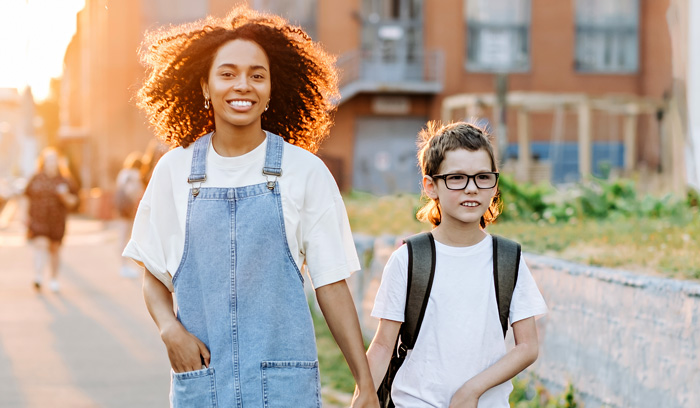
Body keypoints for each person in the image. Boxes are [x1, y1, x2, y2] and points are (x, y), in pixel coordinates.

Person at [123, 6, 379, 407]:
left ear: (272, 88)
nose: (242, 85)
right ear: (205, 87)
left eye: (257, 75)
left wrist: (364, 382)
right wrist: (170, 331)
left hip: (283, 389)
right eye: (227, 74)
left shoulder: (304, 171)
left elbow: (331, 283)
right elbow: (153, 274)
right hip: (202, 383)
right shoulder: (174, 170)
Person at [366, 122, 548, 407]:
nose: (472, 189)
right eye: (457, 178)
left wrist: (472, 390)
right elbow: (381, 346)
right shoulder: (409, 259)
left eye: (482, 177)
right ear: (431, 186)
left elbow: (527, 347)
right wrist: (360, 398)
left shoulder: (507, 259)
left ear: (495, 184)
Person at [24, 147, 79, 292]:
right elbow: (26, 196)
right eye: (49, 160)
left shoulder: (65, 180)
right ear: (43, 162)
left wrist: (65, 196)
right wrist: (24, 217)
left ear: (58, 162)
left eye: (54, 160)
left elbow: (74, 202)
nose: (51, 163)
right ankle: (38, 277)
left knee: (54, 249)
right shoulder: (35, 178)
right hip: (38, 219)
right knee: (40, 245)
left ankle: (54, 279)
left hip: (56, 221)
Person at [114, 151, 145, 278]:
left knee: (123, 237)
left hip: (121, 208)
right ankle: (131, 266)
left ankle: (123, 265)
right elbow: (138, 192)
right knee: (133, 237)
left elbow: (119, 188)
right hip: (131, 208)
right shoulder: (137, 174)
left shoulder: (123, 173)